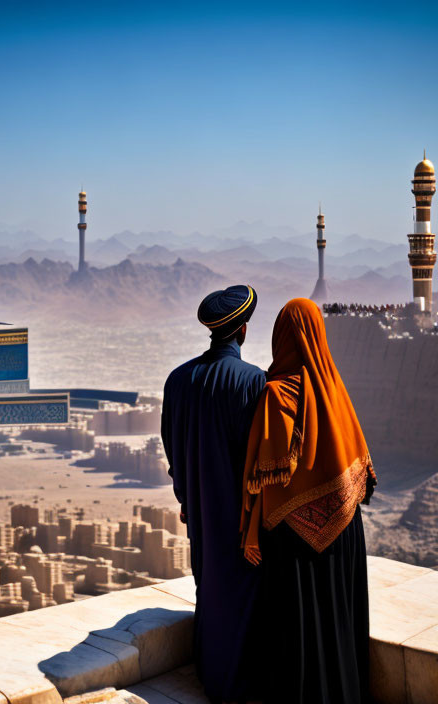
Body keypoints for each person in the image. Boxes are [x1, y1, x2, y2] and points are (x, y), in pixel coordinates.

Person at [240, 297, 377, 704]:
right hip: (345, 531)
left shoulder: (275, 396)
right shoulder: (335, 391)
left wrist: (251, 530)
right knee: (338, 622)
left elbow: (265, 474)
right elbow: (358, 469)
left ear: (281, 337)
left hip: (294, 544)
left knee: (300, 632)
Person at [162, 284, 267, 702]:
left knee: (210, 587)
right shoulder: (254, 382)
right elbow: (263, 457)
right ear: (243, 331)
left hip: (202, 512)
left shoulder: (178, 380)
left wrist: (187, 496)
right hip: (244, 519)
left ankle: (210, 673)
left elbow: (171, 443)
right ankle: (242, 684)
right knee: (244, 595)